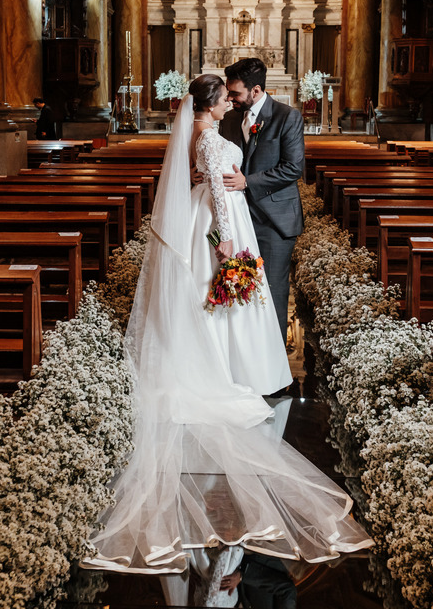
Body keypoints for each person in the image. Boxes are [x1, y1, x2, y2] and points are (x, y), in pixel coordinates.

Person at [82, 74, 370, 577]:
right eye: (224, 99)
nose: (229, 104)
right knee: (223, 296)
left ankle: (220, 359)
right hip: (219, 221)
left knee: (210, 298)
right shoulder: (210, 135)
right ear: (214, 102)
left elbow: (220, 175)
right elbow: (215, 184)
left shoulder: (203, 131)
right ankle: (226, 366)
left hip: (213, 217)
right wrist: (223, 239)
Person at [217, 57, 305, 342]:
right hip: (237, 218)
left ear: (255, 91)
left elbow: (293, 168)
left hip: (274, 220)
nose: (230, 99)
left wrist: (248, 182)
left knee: (273, 293)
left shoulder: (287, 116)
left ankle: (276, 371)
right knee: (237, 286)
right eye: (228, 94)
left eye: (235, 93)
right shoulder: (229, 120)